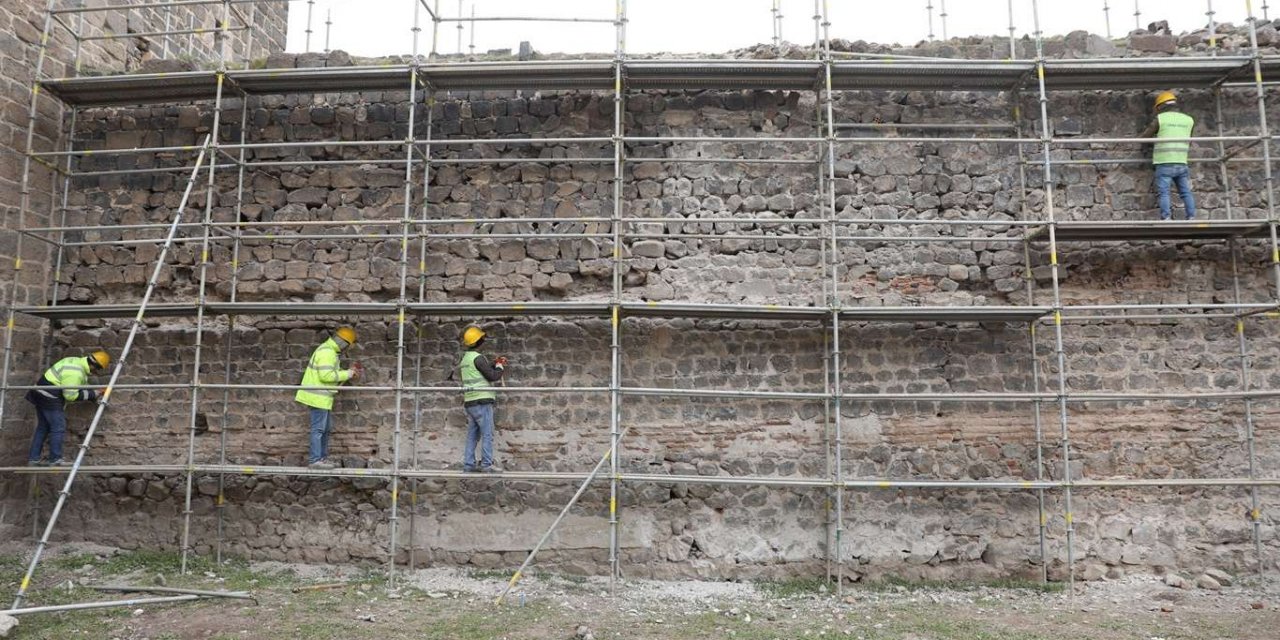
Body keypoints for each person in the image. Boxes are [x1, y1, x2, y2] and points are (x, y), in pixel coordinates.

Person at [25, 350, 111, 466]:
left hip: (39, 392)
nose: (96, 372)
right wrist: (94, 394)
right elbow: (71, 396)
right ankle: (55, 460)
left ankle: (33, 459)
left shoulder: (76, 362)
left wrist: (94, 393)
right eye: (98, 369)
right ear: (94, 365)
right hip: (50, 395)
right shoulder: (76, 372)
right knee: (58, 427)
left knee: (43, 427)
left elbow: (80, 385)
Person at [295, 326, 362, 470]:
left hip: (322, 398)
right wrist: (348, 374)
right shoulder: (327, 353)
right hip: (317, 397)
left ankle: (322, 459)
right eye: (348, 346)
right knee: (318, 430)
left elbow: (330, 374)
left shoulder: (329, 351)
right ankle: (315, 460)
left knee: (325, 429)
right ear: (344, 343)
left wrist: (348, 371)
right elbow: (326, 376)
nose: (347, 349)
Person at [1139, 91, 1197, 221]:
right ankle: (1192, 217)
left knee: (1164, 192)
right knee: (1185, 192)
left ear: (1160, 107)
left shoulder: (1161, 119)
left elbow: (1145, 137)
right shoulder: (1189, 120)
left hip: (1164, 161)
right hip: (1182, 161)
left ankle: (1166, 218)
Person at [457, 325, 506, 473]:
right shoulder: (478, 358)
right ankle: (486, 464)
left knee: (473, 435)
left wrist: (492, 363)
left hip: (470, 402)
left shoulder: (466, 359)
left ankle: (469, 464)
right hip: (482, 401)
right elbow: (493, 376)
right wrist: (499, 366)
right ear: (479, 341)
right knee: (487, 434)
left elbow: (479, 369)